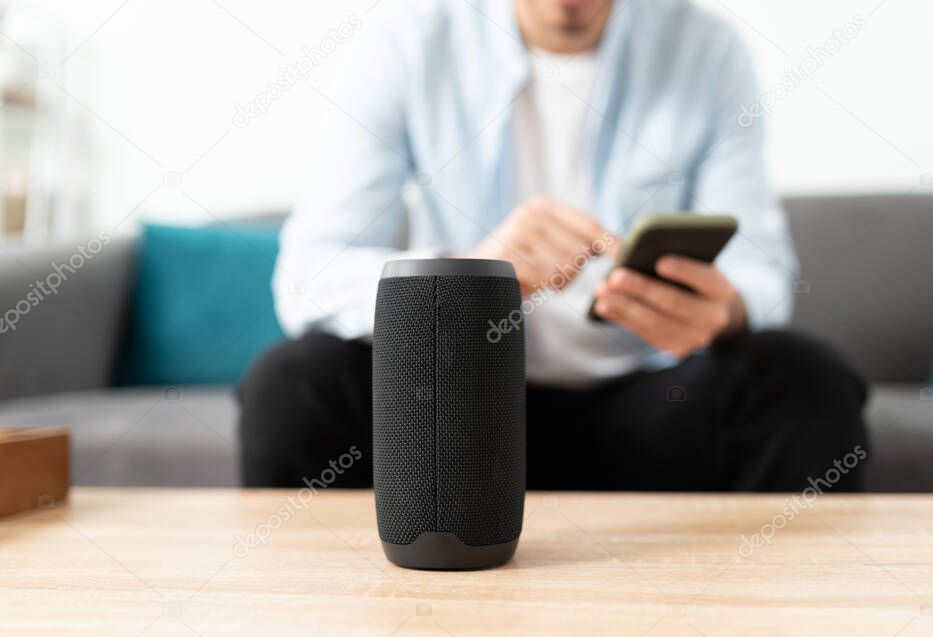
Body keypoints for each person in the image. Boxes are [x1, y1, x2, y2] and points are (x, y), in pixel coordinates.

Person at [240, 0, 869, 492]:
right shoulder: (409, 42)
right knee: (293, 383)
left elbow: (760, 270)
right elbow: (308, 278)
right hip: (455, 410)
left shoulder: (705, 49)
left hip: (651, 405)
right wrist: (470, 277)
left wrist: (723, 310)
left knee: (805, 381)